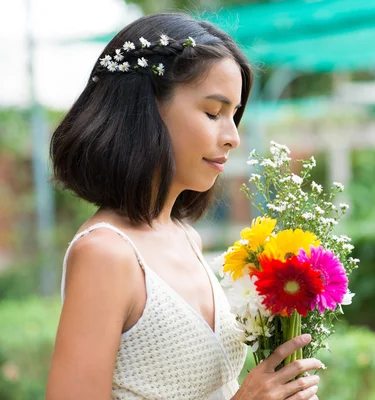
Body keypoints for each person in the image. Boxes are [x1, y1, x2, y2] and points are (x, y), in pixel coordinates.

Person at [46, 12, 322, 400]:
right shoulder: (106, 254)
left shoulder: (186, 237)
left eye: (234, 116)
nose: (232, 138)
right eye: (213, 112)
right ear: (145, 110)